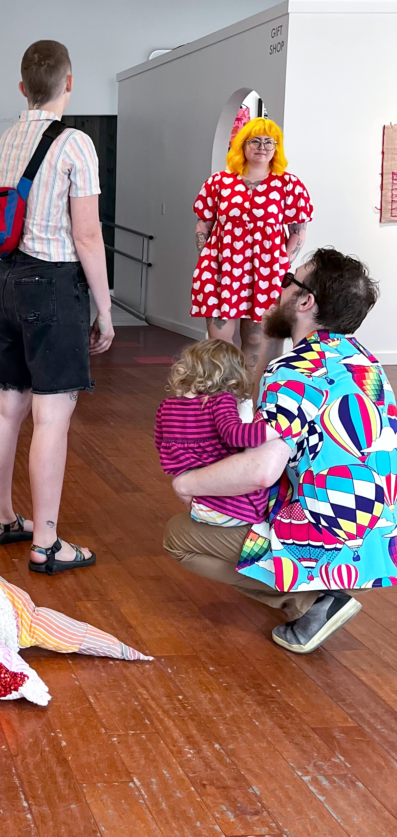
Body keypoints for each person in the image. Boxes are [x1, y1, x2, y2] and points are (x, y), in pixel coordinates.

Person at [165, 248, 395, 654]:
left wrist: (188, 480)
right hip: (376, 535)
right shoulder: (365, 362)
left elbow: (262, 470)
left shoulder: (296, 370)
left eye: (289, 278)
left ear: (306, 302)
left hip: (326, 536)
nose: (280, 284)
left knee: (179, 536)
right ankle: (316, 595)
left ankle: (315, 602)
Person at [0, 40, 114, 574]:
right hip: (53, 286)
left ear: (22, 88)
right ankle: (49, 543)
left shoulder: (5, 141)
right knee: (52, 417)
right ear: (70, 81)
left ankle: (1, 519)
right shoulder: (76, 143)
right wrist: (105, 310)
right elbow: (86, 237)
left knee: (7, 405)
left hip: (6, 282)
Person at [191, 116, 312, 384]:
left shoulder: (288, 185)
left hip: (266, 273)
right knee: (219, 343)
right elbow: (204, 222)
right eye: (255, 141)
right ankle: (220, 399)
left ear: (277, 147)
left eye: (270, 142)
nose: (262, 146)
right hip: (220, 270)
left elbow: (298, 230)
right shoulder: (219, 182)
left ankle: (247, 400)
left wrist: (283, 261)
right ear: (242, 145)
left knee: (257, 339)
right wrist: (206, 256)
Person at [155, 339, 272, 527]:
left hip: (198, 504)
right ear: (233, 374)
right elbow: (235, 436)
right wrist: (276, 429)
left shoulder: (166, 406)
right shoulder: (220, 400)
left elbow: (161, 444)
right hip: (236, 508)